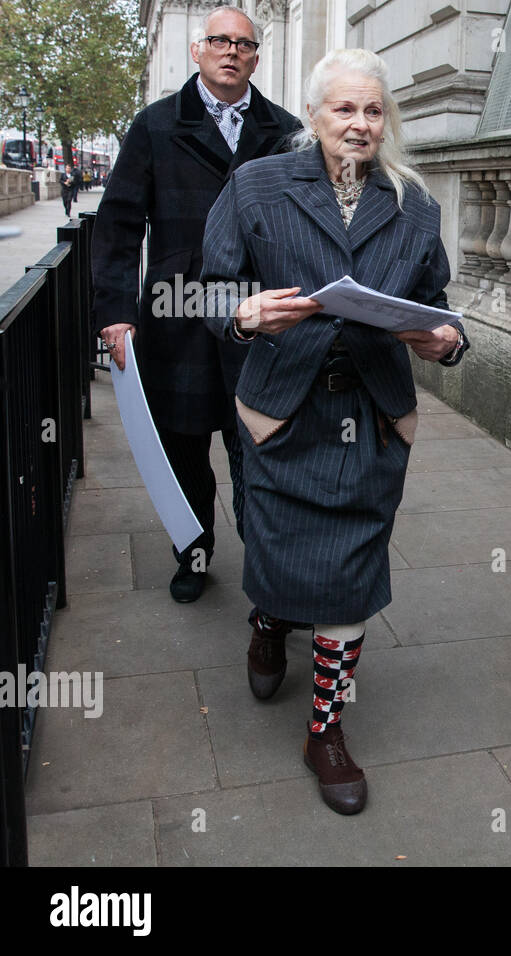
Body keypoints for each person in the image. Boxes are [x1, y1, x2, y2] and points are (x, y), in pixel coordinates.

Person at [200, 48, 469, 815]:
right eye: (344, 109)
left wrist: (445, 341)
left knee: (349, 571)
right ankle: (267, 618)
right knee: (275, 547)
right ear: (313, 114)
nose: (360, 123)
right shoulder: (257, 186)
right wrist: (244, 313)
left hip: (374, 416)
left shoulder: (415, 206)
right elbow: (210, 288)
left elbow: (437, 304)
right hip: (284, 410)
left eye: (374, 110)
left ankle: (325, 730)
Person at [91, 5, 300, 603]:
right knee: (183, 446)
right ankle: (194, 549)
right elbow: (120, 223)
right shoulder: (155, 125)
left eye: (243, 43)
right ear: (197, 51)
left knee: (255, 446)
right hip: (174, 312)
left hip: (255, 317)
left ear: (256, 57)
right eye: (219, 41)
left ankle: (269, 578)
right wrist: (114, 312)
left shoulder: (285, 131)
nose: (231, 51)